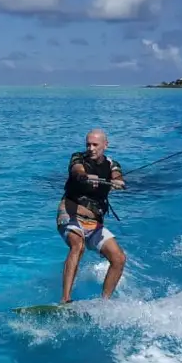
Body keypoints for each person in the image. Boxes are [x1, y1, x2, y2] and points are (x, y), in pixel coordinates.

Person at [56, 128, 127, 303]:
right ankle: (65, 300)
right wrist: (84, 176)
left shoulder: (112, 164)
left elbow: (117, 173)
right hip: (70, 215)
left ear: (105, 145)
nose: (91, 148)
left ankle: (104, 302)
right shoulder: (78, 158)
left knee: (119, 258)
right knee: (78, 246)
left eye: (95, 144)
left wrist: (118, 181)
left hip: (94, 223)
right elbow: (77, 169)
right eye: (88, 144)